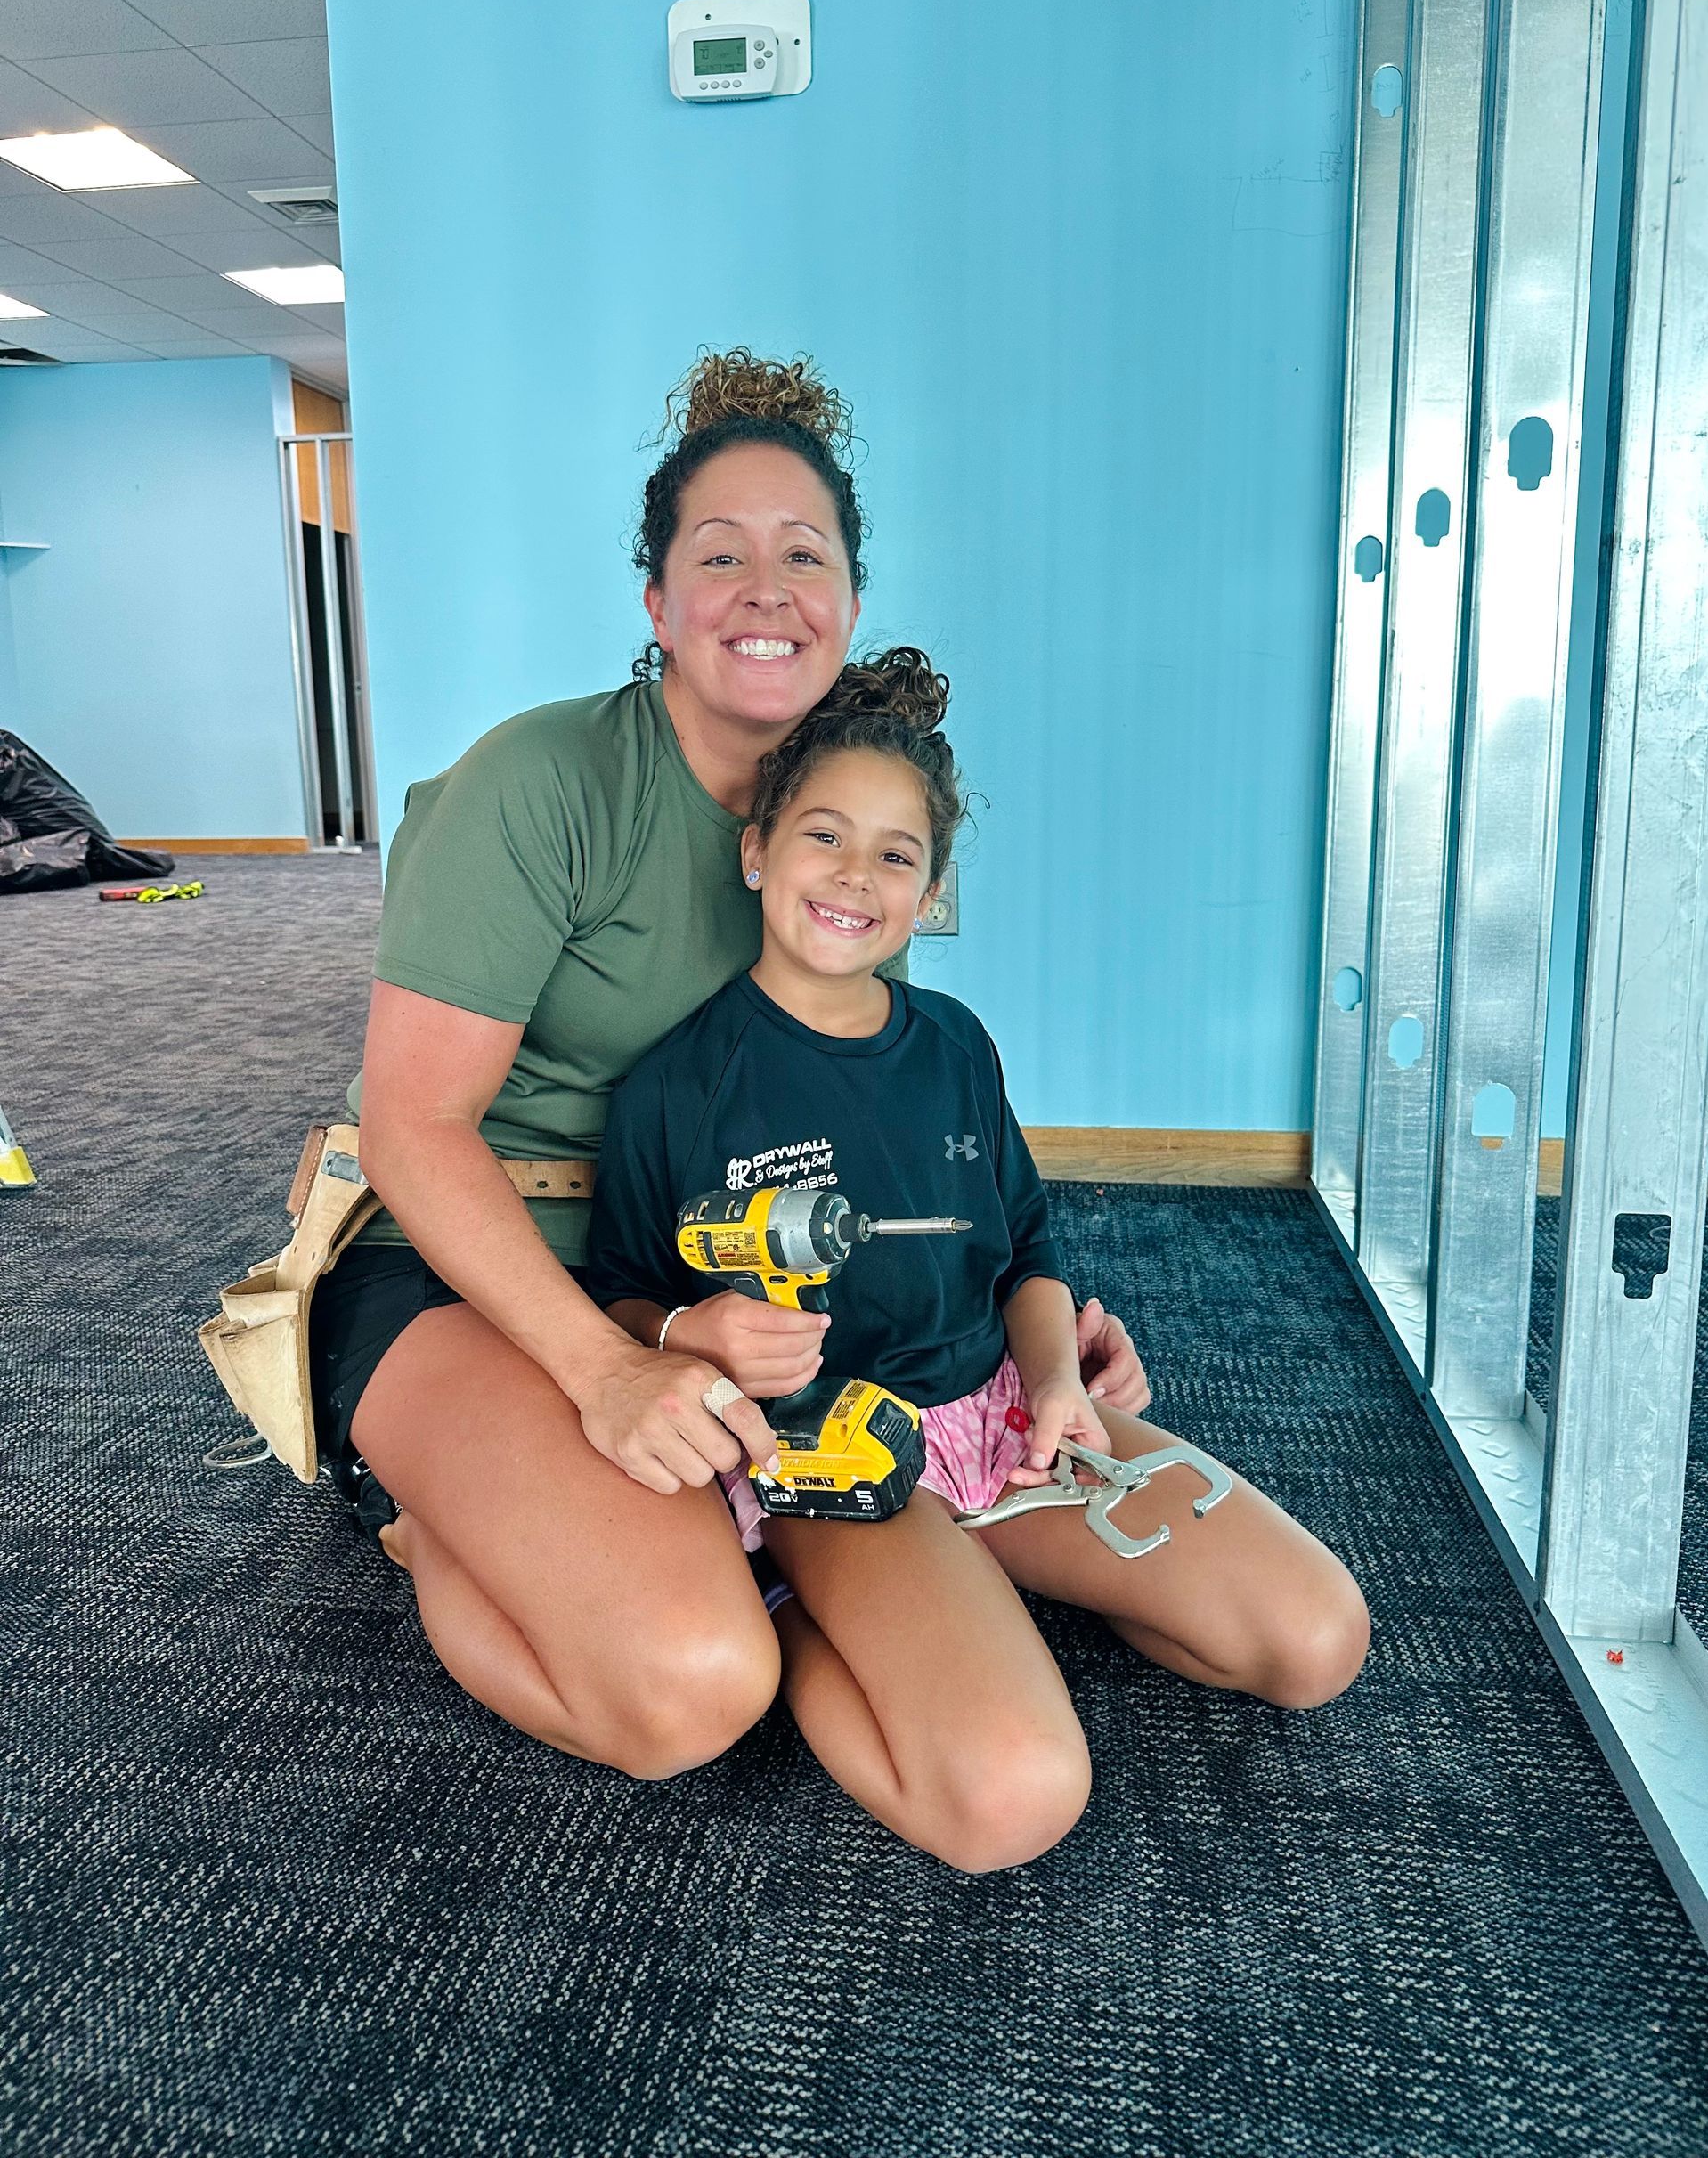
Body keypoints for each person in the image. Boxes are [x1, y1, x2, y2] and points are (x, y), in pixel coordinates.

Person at [308, 350, 1150, 1788]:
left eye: (802, 555)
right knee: (697, 1689)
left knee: (756, 1609)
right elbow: (412, 1126)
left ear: (850, 604)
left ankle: (605, 1511)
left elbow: (869, 1126)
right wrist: (602, 1372)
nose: (766, 589)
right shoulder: (542, 785)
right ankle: (431, 1516)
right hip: (472, 1265)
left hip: (702, 1279)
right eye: (720, 555)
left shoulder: (844, 833)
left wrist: (1017, 1323)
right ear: (657, 603)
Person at [580, 654, 1371, 1871]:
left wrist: (1054, 1382)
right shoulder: (680, 1087)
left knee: (1317, 1641)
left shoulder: (955, 1046)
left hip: (999, 1421)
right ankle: (795, 1615)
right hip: (823, 1459)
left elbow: (1029, 1249)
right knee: (1013, 1800)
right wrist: (692, 1338)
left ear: (930, 890)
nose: (856, 875)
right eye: (824, 836)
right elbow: (622, 1298)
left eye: (897, 854)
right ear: (755, 850)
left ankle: (978, 1567)